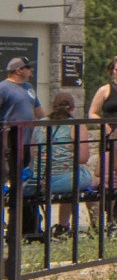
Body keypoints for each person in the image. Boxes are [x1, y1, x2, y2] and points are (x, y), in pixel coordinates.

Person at [28, 91, 88, 232]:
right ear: (72, 107)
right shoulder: (76, 125)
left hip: (40, 180)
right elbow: (83, 158)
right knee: (94, 182)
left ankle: (63, 226)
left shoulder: (40, 125)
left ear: (53, 106)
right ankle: (97, 226)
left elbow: (33, 153)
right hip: (64, 180)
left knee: (71, 182)